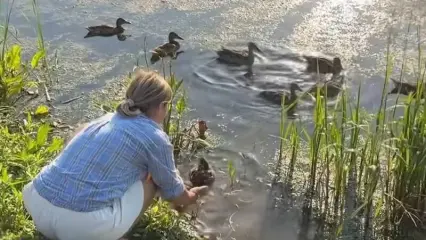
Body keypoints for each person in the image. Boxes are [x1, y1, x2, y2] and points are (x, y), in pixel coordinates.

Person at [22, 69, 209, 240]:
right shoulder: (155, 137)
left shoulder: (105, 119)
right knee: (153, 178)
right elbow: (174, 193)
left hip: (37, 202)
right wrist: (194, 195)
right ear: (162, 106)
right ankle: (116, 234)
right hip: (80, 228)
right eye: (167, 107)